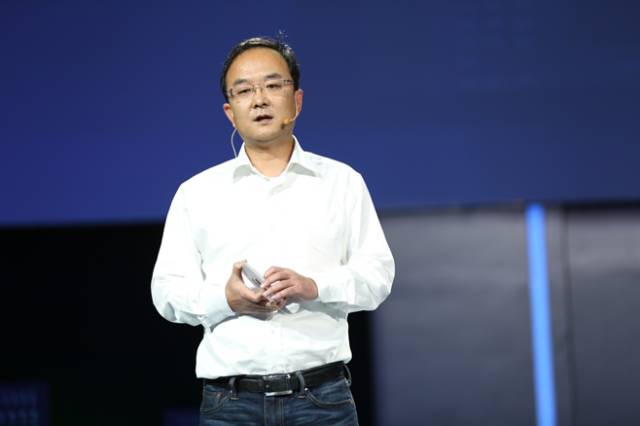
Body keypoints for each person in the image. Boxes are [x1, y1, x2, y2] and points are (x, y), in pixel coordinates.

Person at [151, 36, 394, 426]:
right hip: (231, 405)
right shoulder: (196, 193)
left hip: (322, 401)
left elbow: (377, 276)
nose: (259, 100)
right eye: (244, 90)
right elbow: (166, 292)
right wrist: (226, 299)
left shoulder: (341, 182)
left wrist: (313, 286)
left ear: (296, 100)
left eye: (272, 85)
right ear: (230, 112)